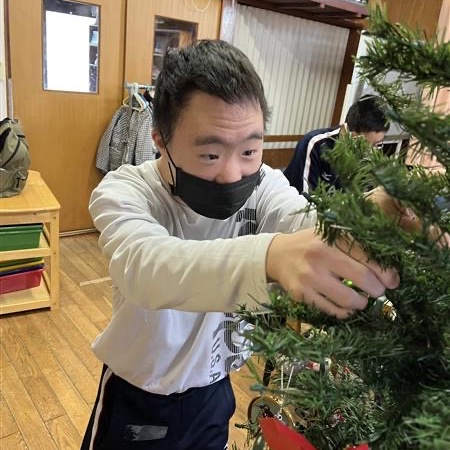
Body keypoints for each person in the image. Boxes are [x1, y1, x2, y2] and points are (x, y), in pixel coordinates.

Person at [81, 40, 400, 450]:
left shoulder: (264, 184)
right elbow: (145, 268)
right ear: (161, 139)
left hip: (215, 388)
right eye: (211, 155)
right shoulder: (126, 191)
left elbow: (308, 223)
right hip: (143, 395)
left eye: (250, 150)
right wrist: (269, 256)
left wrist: (372, 214)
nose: (233, 174)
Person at [284, 95, 390, 194]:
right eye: (362, 143)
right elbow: (303, 197)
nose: (368, 151)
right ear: (345, 130)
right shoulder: (316, 144)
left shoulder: (371, 157)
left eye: (376, 144)